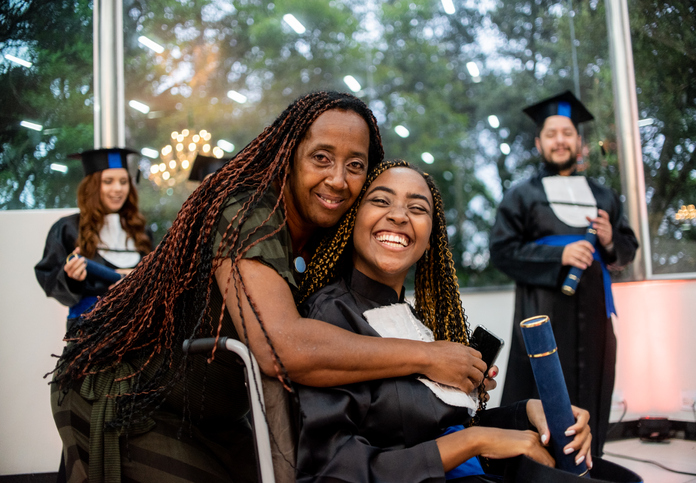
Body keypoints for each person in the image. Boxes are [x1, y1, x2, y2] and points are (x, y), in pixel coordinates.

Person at [49, 91, 487, 483]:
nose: (338, 179)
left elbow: (343, 356)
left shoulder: (324, 232)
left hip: (212, 410)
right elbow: (285, 348)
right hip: (131, 392)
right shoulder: (249, 215)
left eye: (356, 166)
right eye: (321, 158)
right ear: (288, 155)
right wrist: (429, 358)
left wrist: (450, 380)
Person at [295, 160, 593, 482]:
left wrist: (527, 414)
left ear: (430, 237)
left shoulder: (414, 320)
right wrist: (474, 440)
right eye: (381, 201)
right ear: (352, 219)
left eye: (418, 208)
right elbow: (332, 469)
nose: (399, 215)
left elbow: (431, 429)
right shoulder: (329, 316)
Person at [489, 91, 639, 457]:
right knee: (542, 398)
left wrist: (608, 239)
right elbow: (502, 252)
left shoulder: (604, 196)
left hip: (595, 319)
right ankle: (536, 472)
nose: (560, 140)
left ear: (579, 142)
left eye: (567, 133)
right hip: (543, 315)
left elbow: (628, 248)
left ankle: (591, 465)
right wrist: (559, 255)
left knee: (594, 388)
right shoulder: (521, 196)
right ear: (540, 142)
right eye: (552, 134)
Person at [34, 147, 153, 330]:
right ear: (93, 185)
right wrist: (71, 277)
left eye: (123, 181)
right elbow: (48, 279)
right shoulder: (68, 229)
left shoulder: (140, 229)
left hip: (137, 327)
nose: (117, 189)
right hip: (89, 329)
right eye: (108, 181)